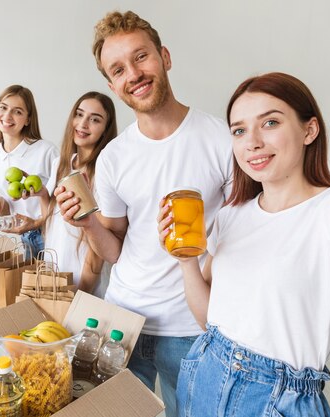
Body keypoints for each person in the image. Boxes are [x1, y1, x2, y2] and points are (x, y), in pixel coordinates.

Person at [157, 72, 330, 416]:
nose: (252, 142)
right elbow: (209, 319)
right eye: (239, 130)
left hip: (278, 399)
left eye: (270, 122)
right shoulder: (231, 216)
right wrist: (186, 261)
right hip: (205, 372)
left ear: (309, 130)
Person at [55, 11, 233, 416]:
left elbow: (239, 233)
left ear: (164, 57)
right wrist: (86, 223)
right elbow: (115, 248)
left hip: (191, 328)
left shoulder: (220, 138)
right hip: (124, 323)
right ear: (111, 84)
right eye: (118, 69)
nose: (133, 74)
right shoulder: (115, 156)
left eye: (141, 57)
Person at [41, 91, 117, 297]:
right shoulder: (62, 163)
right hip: (56, 277)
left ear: (105, 130)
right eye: (79, 114)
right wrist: (41, 195)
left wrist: (80, 294)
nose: (83, 124)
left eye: (95, 120)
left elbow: (97, 253)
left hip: (85, 284)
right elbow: (51, 223)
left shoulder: (103, 171)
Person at [0, 84, 58, 258]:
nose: (7, 116)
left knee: (51, 285)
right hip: (15, 239)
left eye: (17, 111)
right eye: (3, 108)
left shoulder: (46, 151)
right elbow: (8, 208)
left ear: (28, 119)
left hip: (46, 236)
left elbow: (60, 201)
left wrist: (37, 222)